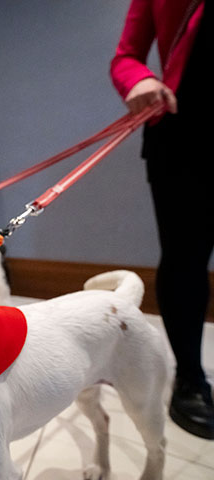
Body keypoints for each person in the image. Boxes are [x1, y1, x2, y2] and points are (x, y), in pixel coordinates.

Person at [111, 0, 213, 439]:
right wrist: (141, 79)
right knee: (185, 258)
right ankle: (190, 376)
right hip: (181, 131)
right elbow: (126, 55)